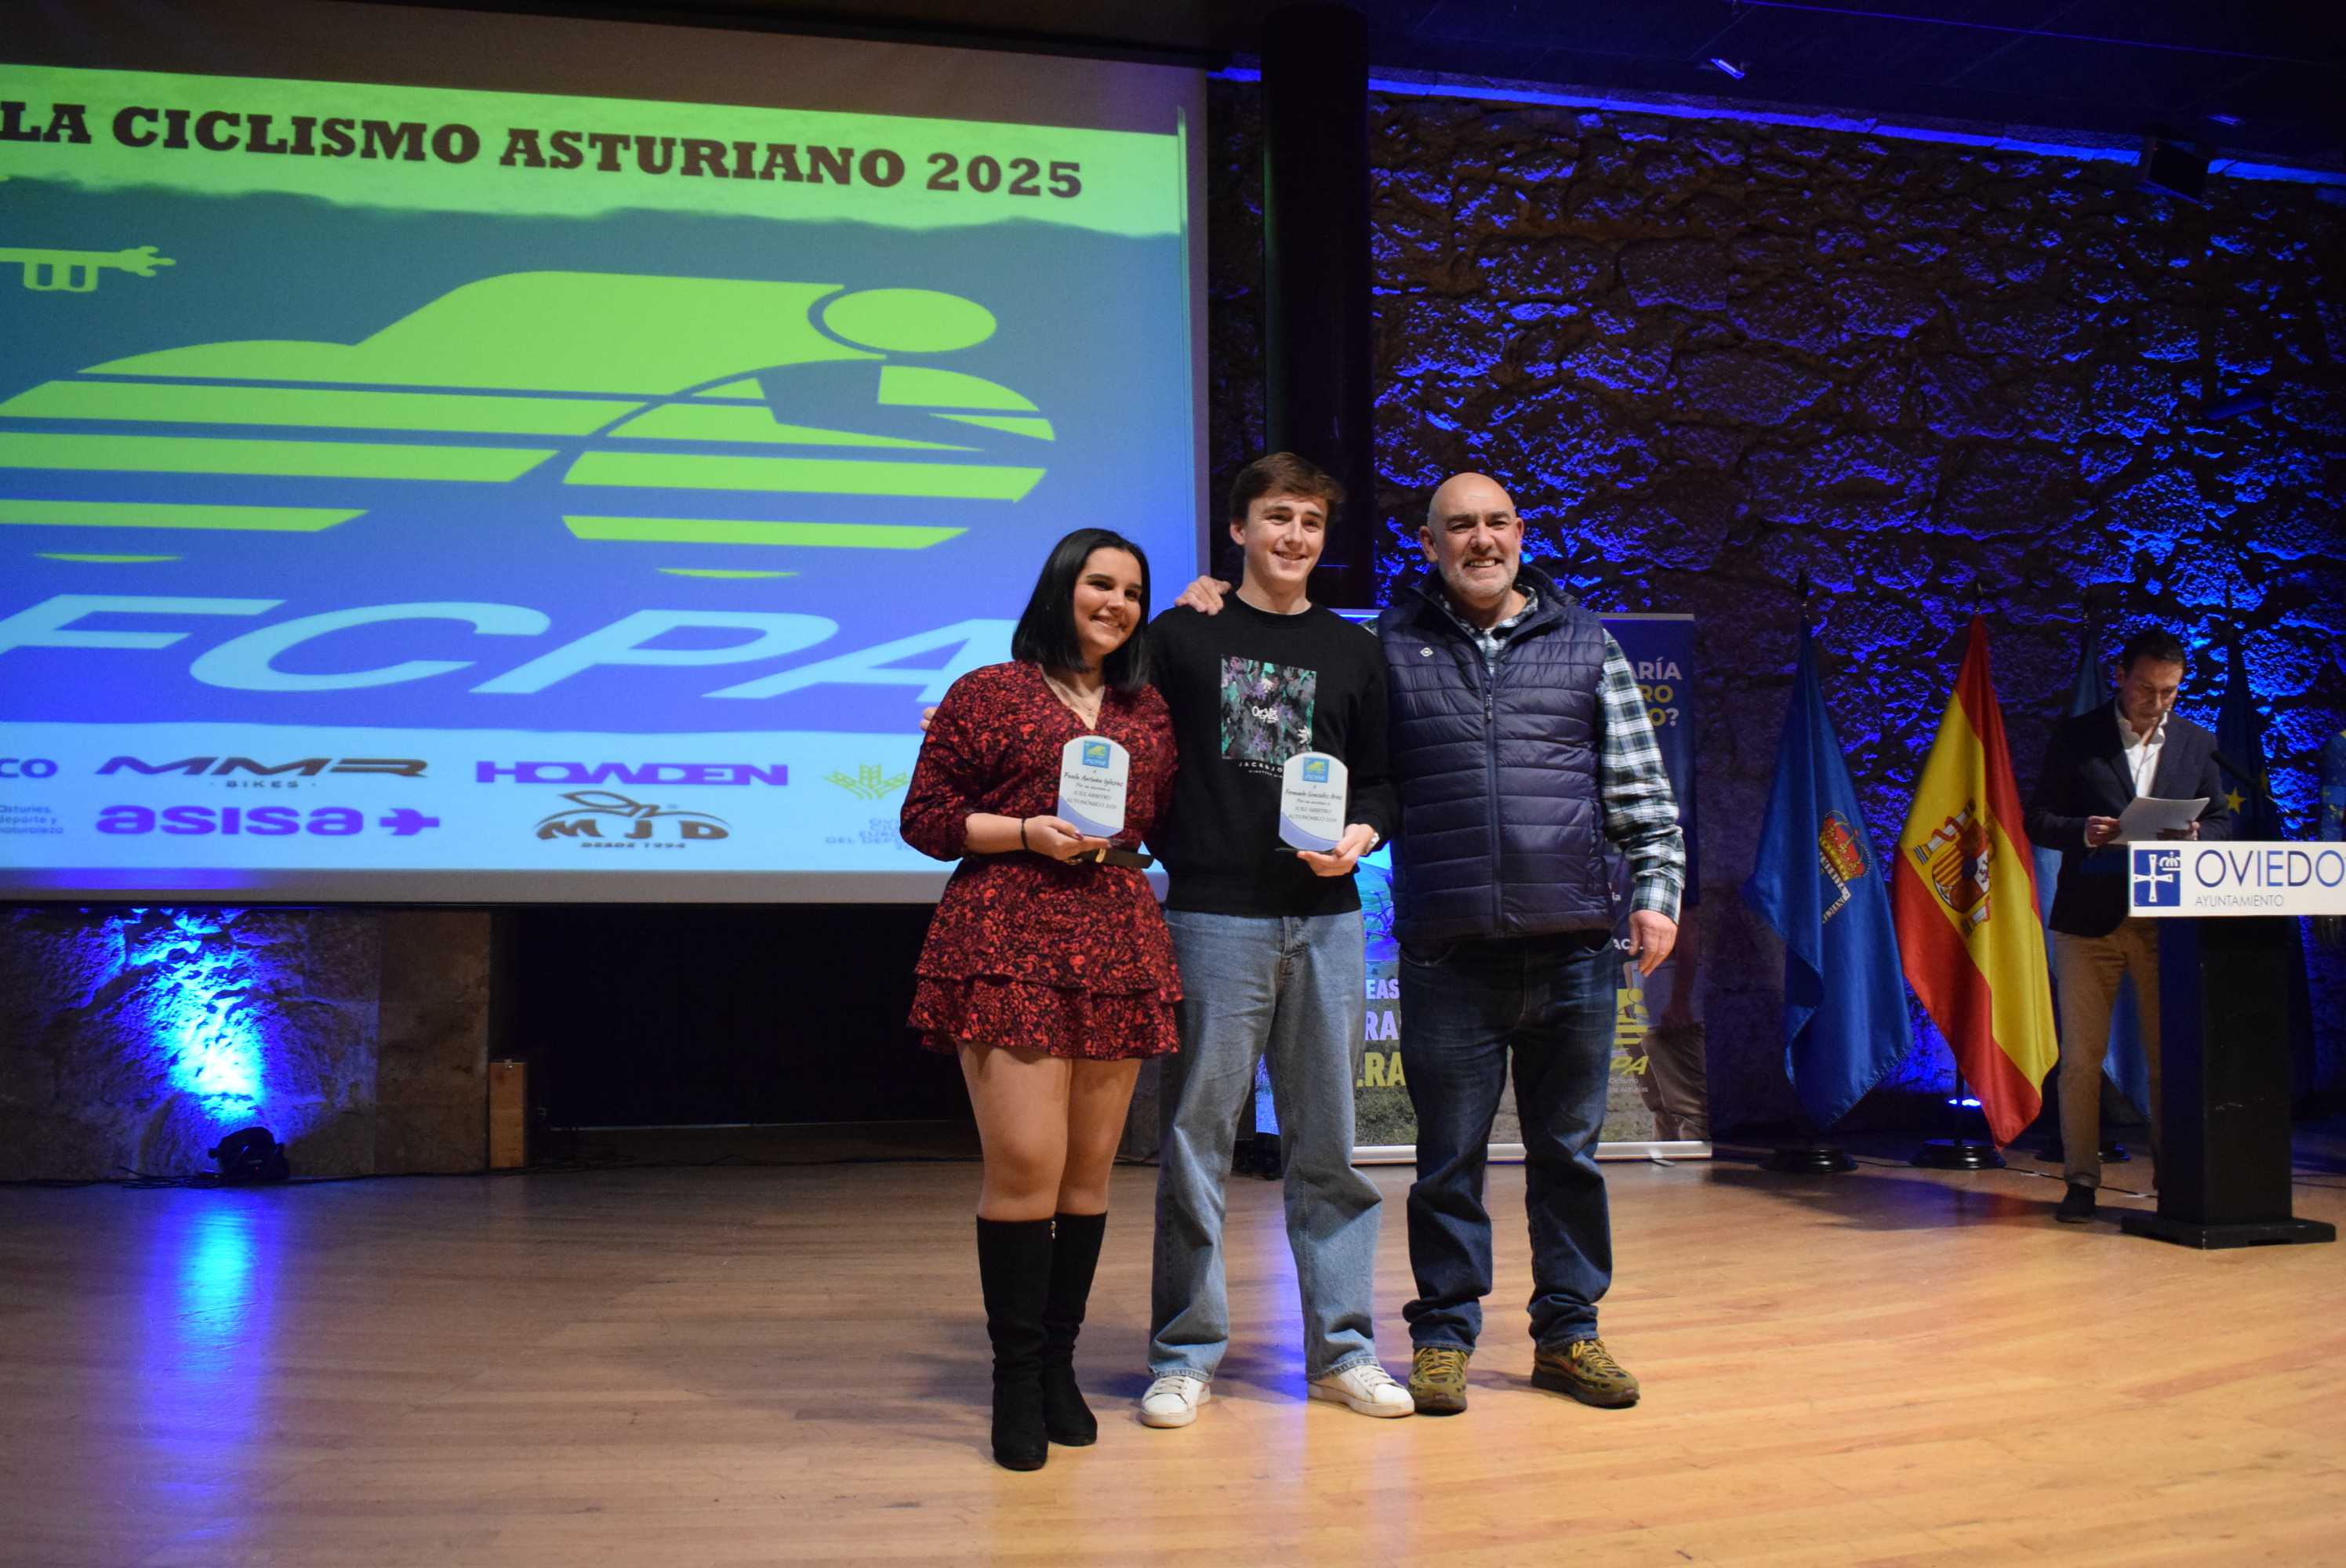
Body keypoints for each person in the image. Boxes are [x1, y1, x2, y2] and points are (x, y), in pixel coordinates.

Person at [1176, 470, 1686, 1420]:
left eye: (1496, 522)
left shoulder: (1587, 645)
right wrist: (1208, 605)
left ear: (1520, 534)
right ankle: (1444, 1338)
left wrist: (1656, 897)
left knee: (1568, 1156)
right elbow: (1296, 737)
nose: (1481, 539)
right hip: (1448, 951)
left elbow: (1643, 797)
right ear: (1429, 542)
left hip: (1575, 946)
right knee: (1445, 1161)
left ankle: (1569, 1334)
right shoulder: (1379, 647)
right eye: (1460, 526)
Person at [1138, 452, 1410, 1430]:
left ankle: (1343, 1350)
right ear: (1238, 530)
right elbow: (1118, 737)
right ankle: (1183, 1354)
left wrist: (1362, 835)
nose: (1294, 536)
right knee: (1195, 1142)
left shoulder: (1353, 649)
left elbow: (1382, 780)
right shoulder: (1179, 634)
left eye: (1310, 521)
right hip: (1210, 917)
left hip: (1328, 923)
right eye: (1276, 516)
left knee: (1329, 1147)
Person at [899, 527, 1180, 1471]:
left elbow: (1168, 816)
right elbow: (927, 819)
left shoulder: (1147, 709)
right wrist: (1023, 829)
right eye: (1100, 583)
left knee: (1087, 1178)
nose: (1116, 602)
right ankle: (1013, 1380)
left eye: (1133, 591)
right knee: (1025, 1163)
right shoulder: (989, 689)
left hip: (1115, 933)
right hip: (1007, 931)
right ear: (1061, 587)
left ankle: (1057, 1365)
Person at [2023, 626, 2229, 1226]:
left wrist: (2198, 836)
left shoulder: (2197, 744)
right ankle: (2081, 1181)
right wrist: (2079, 831)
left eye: (2169, 692)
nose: (2156, 703)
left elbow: (2221, 821)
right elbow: (2038, 817)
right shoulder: (2078, 736)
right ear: (2120, 675)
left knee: (2170, 1057)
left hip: (2166, 921)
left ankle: (2175, 1182)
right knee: (2083, 1057)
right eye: (2146, 688)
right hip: (2090, 919)